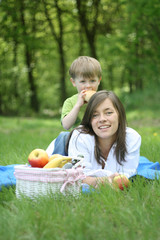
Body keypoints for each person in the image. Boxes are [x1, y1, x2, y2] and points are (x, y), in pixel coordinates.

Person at [66, 90, 141, 188]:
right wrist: (105, 181)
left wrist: (93, 180)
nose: (102, 119)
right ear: (89, 119)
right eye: (95, 115)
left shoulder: (132, 138)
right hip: (65, 146)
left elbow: (127, 175)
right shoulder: (80, 137)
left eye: (108, 113)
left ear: (119, 114)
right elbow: (77, 177)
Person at [61, 56, 102, 130]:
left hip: (98, 136)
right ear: (74, 82)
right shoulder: (70, 102)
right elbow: (66, 126)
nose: (88, 86)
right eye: (83, 81)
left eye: (92, 81)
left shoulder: (103, 99)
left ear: (99, 80)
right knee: (63, 136)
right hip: (78, 137)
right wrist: (78, 105)